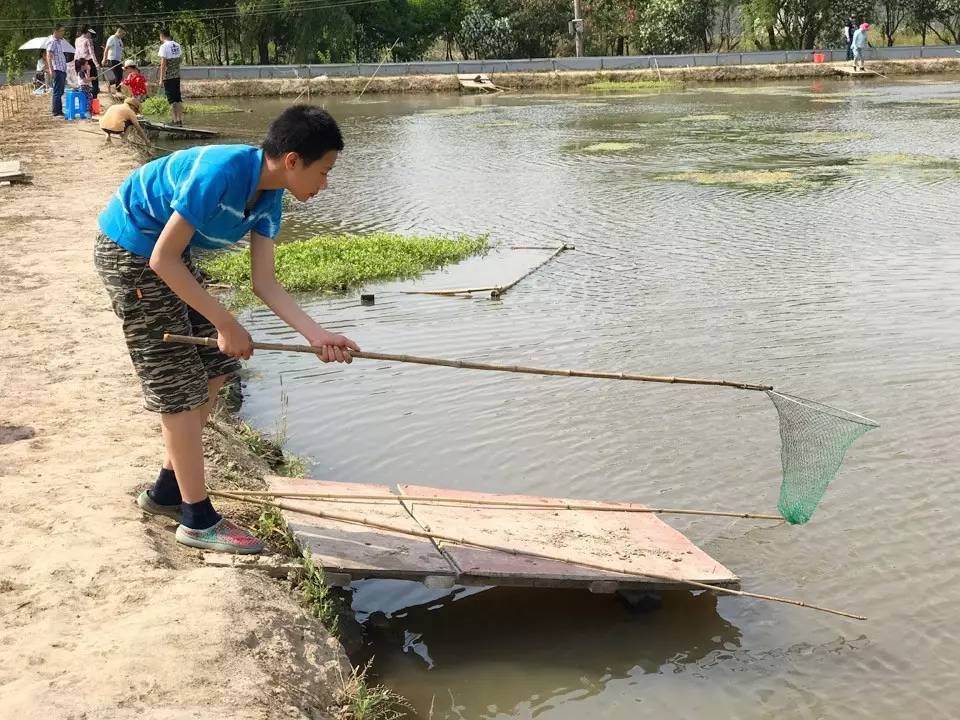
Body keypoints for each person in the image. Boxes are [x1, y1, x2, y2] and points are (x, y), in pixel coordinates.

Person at [94, 105, 358, 554]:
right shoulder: (220, 172)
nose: (325, 184)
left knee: (218, 364)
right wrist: (225, 320)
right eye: (324, 171)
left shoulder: (270, 197)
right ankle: (197, 519)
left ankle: (166, 492)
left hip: (170, 259)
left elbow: (264, 282)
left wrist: (317, 335)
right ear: (292, 160)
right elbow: (161, 259)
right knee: (178, 386)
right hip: (132, 252)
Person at [157, 28, 184, 126]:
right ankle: (179, 120)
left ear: (162, 36)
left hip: (168, 77)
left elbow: (163, 64)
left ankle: (174, 120)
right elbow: (180, 59)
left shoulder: (164, 46)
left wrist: (161, 79)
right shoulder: (177, 45)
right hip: (177, 75)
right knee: (178, 98)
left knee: (171, 100)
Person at [44, 24, 68, 117]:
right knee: (57, 91)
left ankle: (59, 110)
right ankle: (56, 111)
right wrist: (51, 69)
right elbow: (49, 56)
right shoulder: (52, 41)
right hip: (57, 69)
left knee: (61, 91)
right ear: (56, 31)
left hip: (62, 69)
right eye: (62, 31)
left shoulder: (59, 42)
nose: (63, 33)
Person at [74, 26, 100, 98]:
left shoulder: (77, 40)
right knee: (94, 81)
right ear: (88, 32)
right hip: (88, 62)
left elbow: (76, 52)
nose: (91, 35)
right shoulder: (88, 40)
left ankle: (84, 97)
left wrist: (75, 63)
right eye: (90, 34)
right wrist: (96, 64)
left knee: (82, 80)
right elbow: (92, 53)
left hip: (79, 62)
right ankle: (94, 99)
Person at [102, 26, 126, 93]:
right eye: (122, 34)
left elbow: (120, 51)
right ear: (119, 32)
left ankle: (109, 83)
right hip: (112, 60)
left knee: (120, 76)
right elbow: (106, 49)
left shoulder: (120, 40)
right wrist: (104, 59)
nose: (123, 36)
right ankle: (118, 91)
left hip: (118, 60)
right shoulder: (112, 38)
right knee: (118, 76)